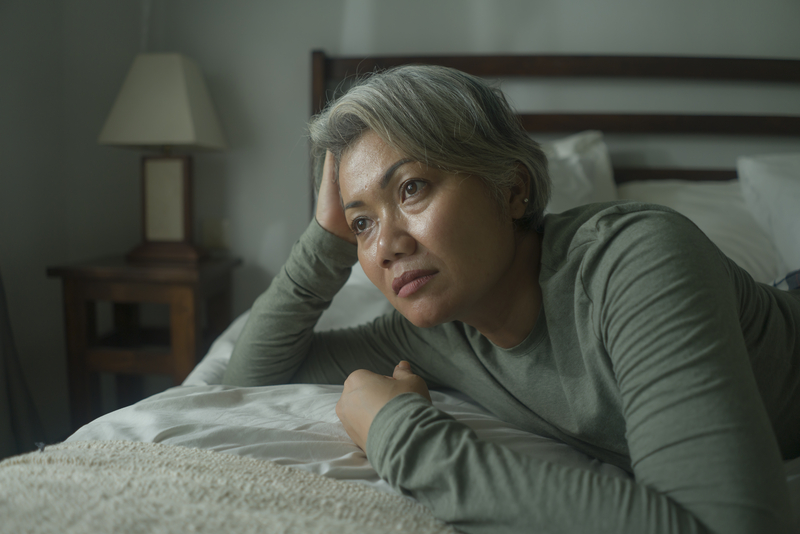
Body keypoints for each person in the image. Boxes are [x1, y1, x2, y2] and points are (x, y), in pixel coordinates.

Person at [223, 65, 800, 533]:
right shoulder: (431, 332)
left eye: (412, 188)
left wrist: (397, 431)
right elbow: (255, 374)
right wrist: (327, 237)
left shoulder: (636, 259)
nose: (388, 246)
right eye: (363, 223)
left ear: (513, 188)